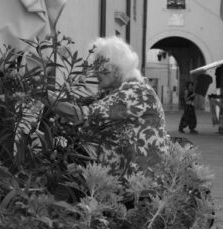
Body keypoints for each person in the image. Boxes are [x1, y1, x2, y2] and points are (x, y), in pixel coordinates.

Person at [53, 36, 168, 176]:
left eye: (99, 67)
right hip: (121, 181)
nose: (94, 72)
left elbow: (80, 114)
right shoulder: (115, 92)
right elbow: (78, 104)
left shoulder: (137, 92)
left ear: (116, 68)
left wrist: (42, 96)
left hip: (140, 187)